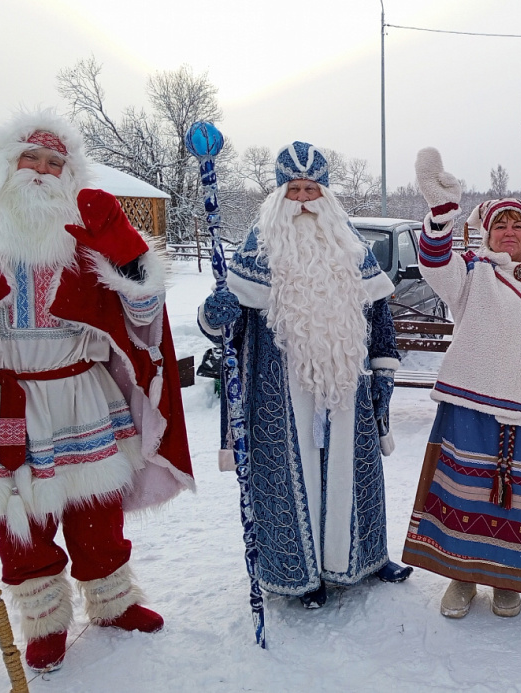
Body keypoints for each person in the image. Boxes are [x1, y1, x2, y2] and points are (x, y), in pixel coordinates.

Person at [0, 110, 194, 671]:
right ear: (6, 162)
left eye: (56, 163)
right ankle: (45, 621)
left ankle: (112, 601)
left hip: (83, 390)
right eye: (32, 157)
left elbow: (145, 318)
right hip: (12, 398)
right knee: (21, 515)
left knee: (97, 506)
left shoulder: (87, 229)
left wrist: (130, 256)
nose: (43, 171)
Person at [198, 141, 412, 610]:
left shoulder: (351, 247)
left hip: (344, 385)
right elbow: (225, 328)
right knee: (290, 478)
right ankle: (299, 573)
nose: (302, 199)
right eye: (293, 190)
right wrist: (215, 314)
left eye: (310, 189)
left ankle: (366, 558)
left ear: (326, 194)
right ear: (278, 195)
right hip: (280, 389)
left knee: (355, 472)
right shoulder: (257, 248)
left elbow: (379, 318)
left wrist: (383, 370)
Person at [401, 148, 521, 619]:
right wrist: (441, 215)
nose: (510, 232)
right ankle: (461, 577)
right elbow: (433, 262)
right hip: (472, 405)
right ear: (488, 233)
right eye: (501, 225)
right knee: (464, 491)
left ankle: (508, 580)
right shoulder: (469, 274)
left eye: (517, 225)